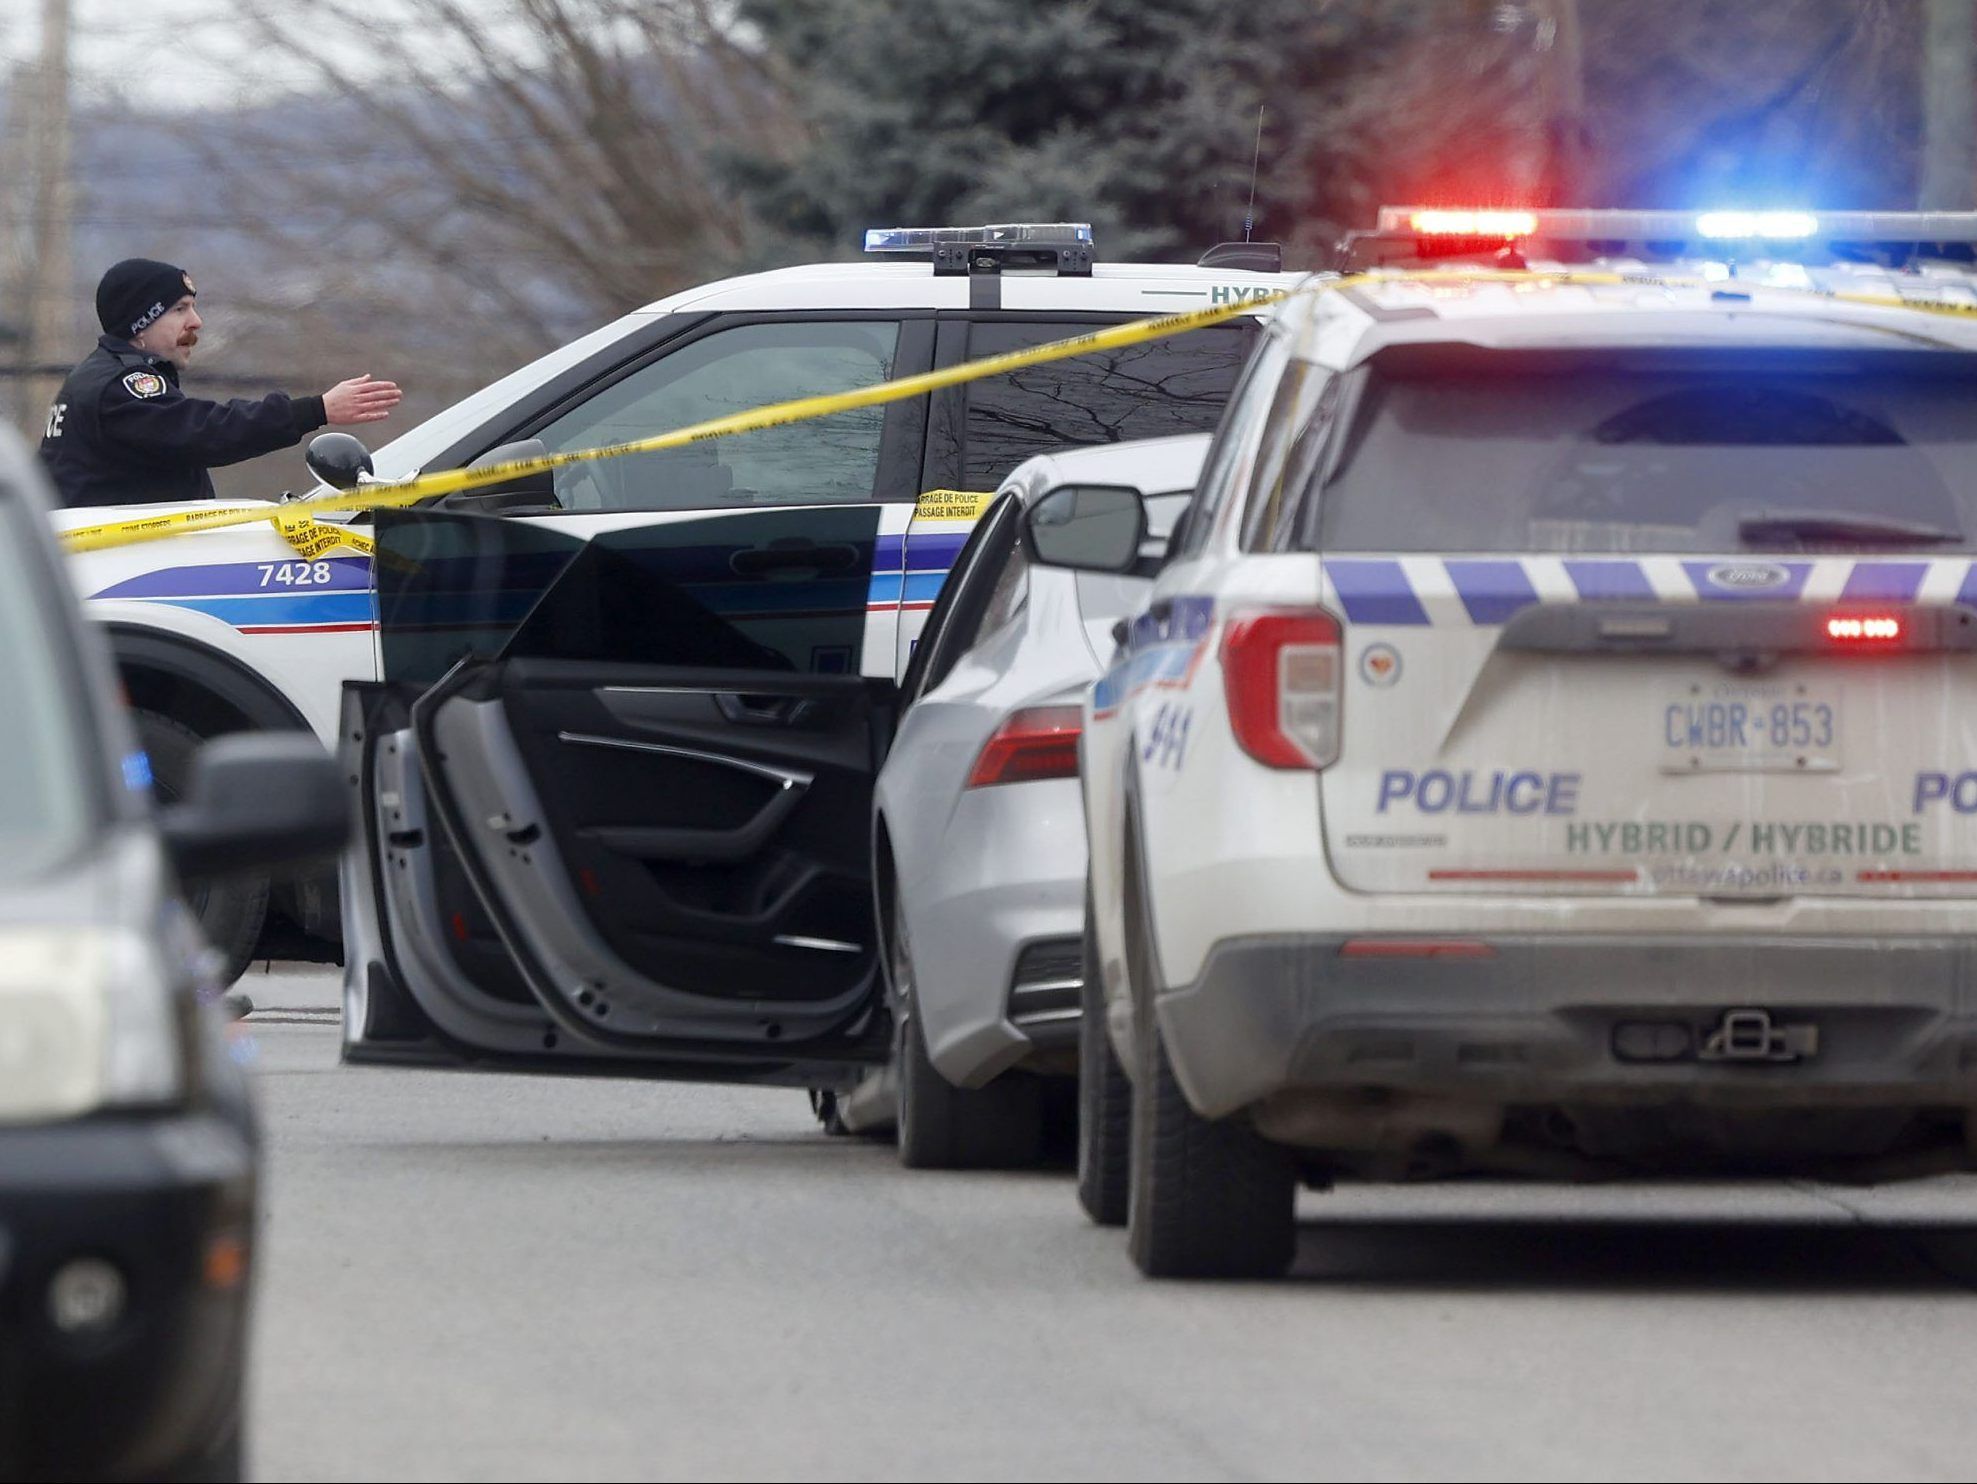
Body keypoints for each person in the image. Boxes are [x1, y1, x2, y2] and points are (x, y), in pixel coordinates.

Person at [39, 257, 403, 508]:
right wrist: (316, 409)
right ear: (140, 323)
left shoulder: (100, 377)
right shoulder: (121, 387)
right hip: (117, 572)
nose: (196, 322)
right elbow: (206, 432)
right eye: (179, 309)